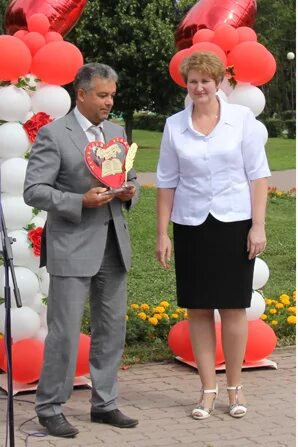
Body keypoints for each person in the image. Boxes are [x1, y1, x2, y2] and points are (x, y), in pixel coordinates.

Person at [24, 63, 139, 438]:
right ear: (82, 94)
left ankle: (104, 403)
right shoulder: (54, 135)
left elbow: (129, 174)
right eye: (103, 95)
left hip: (113, 244)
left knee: (110, 329)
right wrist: (78, 201)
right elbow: (34, 190)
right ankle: (49, 406)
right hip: (71, 245)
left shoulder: (117, 132)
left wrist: (129, 190)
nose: (109, 102)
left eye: (112, 96)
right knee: (65, 332)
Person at [155, 52, 271, 419]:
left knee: (234, 307)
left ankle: (235, 390)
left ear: (219, 82)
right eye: (193, 81)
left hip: (235, 223)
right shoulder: (174, 125)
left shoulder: (242, 119)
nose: (199, 87)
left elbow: (259, 176)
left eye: (206, 80)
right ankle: (207, 390)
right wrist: (162, 233)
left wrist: (258, 225)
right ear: (185, 84)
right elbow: (165, 182)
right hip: (190, 225)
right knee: (199, 308)